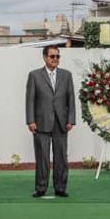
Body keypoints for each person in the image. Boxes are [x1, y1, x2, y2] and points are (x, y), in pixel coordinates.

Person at [25, 46, 76, 198]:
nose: (55, 59)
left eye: (58, 56)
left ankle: (60, 187)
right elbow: (30, 100)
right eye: (52, 56)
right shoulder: (34, 75)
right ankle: (41, 188)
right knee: (42, 157)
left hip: (61, 123)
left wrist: (71, 120)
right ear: (45, 57)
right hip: (41, 122)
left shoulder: (66, 75)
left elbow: (71, 99)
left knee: (61, 157)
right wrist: (30, 120)